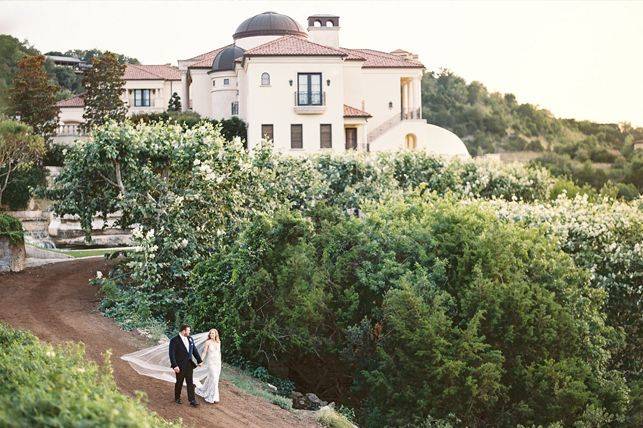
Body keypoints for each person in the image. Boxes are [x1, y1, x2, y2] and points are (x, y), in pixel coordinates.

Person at [169, 324, 202, 407]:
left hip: (189, 364)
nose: (189, 332)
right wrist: (174, 365)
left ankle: (192, 400)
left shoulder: (190, 339)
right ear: (184, 331)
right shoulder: (174, 340)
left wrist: (199, 360)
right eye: (188, 330)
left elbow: (194, 350)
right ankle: (177, 398)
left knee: (190, 382)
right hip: (179, 365)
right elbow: (171, 354)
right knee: (179, 382)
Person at [196, 329, 222, 403]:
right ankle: (213, 397)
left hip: (218, 363)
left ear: (216, 334)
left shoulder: (218, 342)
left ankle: (204, 389)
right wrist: (200, 361)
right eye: (210, 334)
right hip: (211, 363)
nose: (211, 335)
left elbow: (219, 353)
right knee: (214, 378)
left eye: (213, 333)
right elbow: (204, 352)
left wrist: (219, 362)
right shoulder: (207, 342)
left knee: (214, 379)